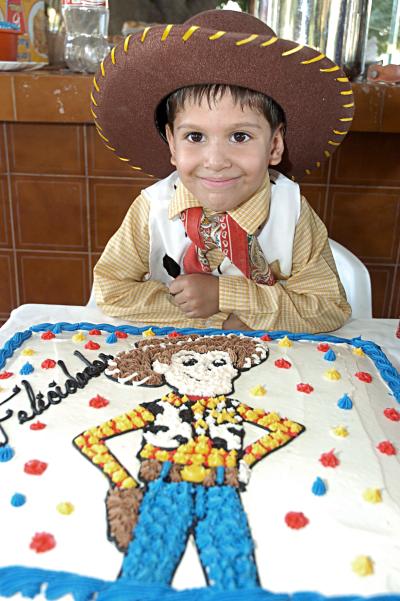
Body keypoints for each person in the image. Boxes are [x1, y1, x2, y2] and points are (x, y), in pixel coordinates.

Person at [91, 9, 354, 333]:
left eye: (240, 136)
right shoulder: (151, 209)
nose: (215, 161)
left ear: (273, 146)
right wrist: (218, 319)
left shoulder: (292, 214)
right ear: (172, 144)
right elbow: (109, 289)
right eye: (195, 137)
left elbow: (329, 308)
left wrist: (228, 295)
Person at [73, 333, 305, 588]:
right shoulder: (157, 409)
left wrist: (245, 460)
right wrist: (125, 485)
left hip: (220, 492)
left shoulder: (235, 409)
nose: (204, 369)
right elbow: (90, 439)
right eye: (190, 362)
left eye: (217, 362)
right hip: (166, 490)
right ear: (166, 368)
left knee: (235, 573)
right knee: (145, 572)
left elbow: (286, 428)